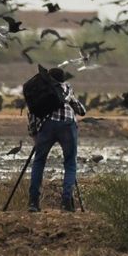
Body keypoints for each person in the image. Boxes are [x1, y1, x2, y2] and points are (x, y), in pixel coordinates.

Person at [27, 68, 86, 213]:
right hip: (67, 126)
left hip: (46, 127)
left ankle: (33, 203)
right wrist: (72, 100)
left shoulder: (40, 90)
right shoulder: (66, 88)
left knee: (39, 162)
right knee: (70, 163)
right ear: (62, 79)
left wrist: (34, 133)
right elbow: (81, 110)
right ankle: (66, 202)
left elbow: (32, 113)